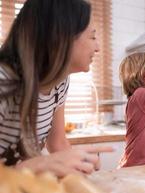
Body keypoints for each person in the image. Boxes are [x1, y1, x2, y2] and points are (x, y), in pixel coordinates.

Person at [0, 0, 113, 177]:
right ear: (60, 37)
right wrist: (38, 165)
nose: (98, 47)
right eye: (92, 37)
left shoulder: (59, 83)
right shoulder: (3, 80)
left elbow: (58, 143)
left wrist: (79, 165)